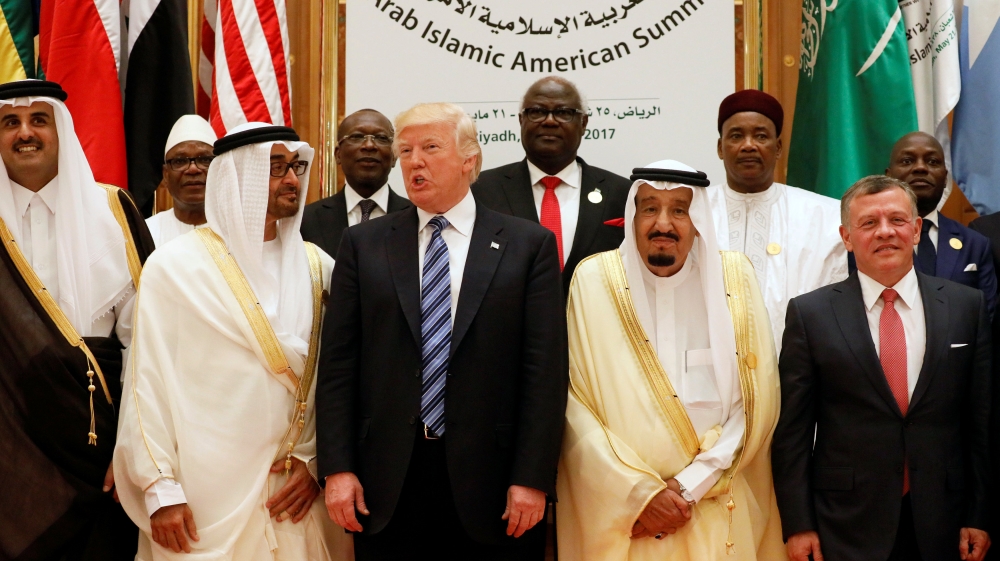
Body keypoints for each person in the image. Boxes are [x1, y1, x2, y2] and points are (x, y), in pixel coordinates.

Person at [317, 102, 568, 560]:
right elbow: (338, 366)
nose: (414, 161)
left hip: (494, 485)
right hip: (386, 481)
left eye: (430, 147)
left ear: (469, 159)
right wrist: (338, 469)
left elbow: (544, 373)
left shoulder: (528, 245)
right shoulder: (364, 244)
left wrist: (531, 478)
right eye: (406, 150)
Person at [114, 123, 351, 560]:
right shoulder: (175, 268)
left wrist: (319, 464)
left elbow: (340, 380)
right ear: (238, 176)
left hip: (296, 495)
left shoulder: (318, 266)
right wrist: (159, 488)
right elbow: (147, 384)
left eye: (295, 166)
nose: (293, 180)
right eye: (276, 167)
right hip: (204, 494)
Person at [557, 160, 785, 560]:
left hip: (714, 505)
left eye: (679, 209)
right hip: (626, 517)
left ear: (698, 220)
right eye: (649, 208)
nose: (663, 223)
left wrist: (688, 486)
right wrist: (640, 495)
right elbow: (575, 405)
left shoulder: (734, 279)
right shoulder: (593, 280)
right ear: (632, 215)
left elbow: (757, 399)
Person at [773, 175, 991, 561]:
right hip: (844, 523)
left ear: (917, 228)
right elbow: (792, 432)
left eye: (897, 220)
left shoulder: (966, 307)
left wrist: (980, 514)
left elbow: (982, 422)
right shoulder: (810, 315)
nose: (885, 232)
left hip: (945, 520)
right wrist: (798, 523)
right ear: (846, 236)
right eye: (869, 223)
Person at [0, 79, 153, 559]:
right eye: (10, 122)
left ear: (61, 129)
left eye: (38, 120)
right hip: (8, 449)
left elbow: (148, 347)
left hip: (100, 452)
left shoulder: (113, 211)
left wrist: (134, 451)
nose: (25, 133)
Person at [707, 89, 846, 351]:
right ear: (720, 148)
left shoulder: (824, 216)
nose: (749, 145)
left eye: (761, 136)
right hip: (710, 373)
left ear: (778, 147)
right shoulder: (693, 212)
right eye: (736, 136)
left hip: (797, 370)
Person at [472, 76, 630, 295]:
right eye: (537, 111)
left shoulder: (623, 194)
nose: (549, 121)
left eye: (564, 113)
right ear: (520, 121)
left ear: (583, 123)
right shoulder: (481, 191)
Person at [885, 131, 996, 316]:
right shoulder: (868, 242)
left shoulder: (975, 244)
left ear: (945, 178)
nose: (920, 168)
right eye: (907, 161)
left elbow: (987, 318)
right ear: (888, 177)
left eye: (932, 162)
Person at [301, 109, 411, 256]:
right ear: (338, 154)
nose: (369, 145)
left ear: (394, 157)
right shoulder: (306, 220)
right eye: (357, 137)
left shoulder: (416, 217)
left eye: (381, 138)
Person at [145, 114, 216, 247]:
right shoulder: (144, 234)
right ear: (166, 175)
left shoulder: (242, 234)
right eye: (180, 161)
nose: (193, 169)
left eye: (205, 160)